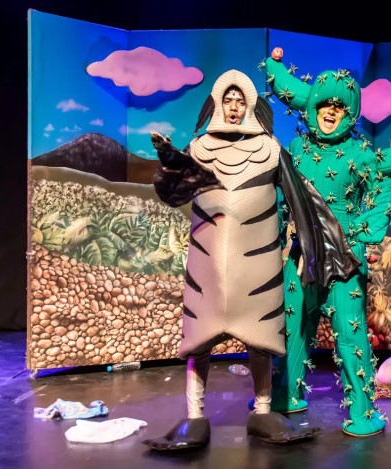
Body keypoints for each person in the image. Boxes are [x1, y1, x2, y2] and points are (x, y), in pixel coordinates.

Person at [142, 69, 359, 450]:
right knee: (199, 341)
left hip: (257, 264)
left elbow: (301, 199)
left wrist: (317, 249)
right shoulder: (200, 148)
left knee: (260, 339)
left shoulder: (269, 149)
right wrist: (171, 160)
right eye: (227, 100)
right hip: (207, 263)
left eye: (240, 100)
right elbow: (173, 192)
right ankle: (194, 416)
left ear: (250, 105)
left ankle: (262, 411)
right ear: (217, 102)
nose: (233, 106)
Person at [260, 47, 391, 437]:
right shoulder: (297, 149)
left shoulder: (358, 151)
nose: (331, 112)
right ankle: (286, 393)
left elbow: (384, 172)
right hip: (302, 255)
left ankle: (363, 410)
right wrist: (277, 230)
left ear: (349, 113)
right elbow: (284, 193)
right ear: (312, 107)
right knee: (293, 324)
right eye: (324, 104)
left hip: (345, 258)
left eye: (339, 106)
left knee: (350, 335)